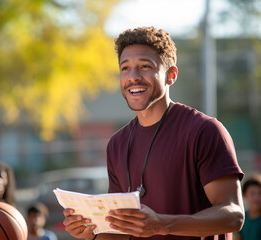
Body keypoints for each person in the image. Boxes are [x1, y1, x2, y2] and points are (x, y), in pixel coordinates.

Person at [62, 26, 245, 240]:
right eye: (125, 68)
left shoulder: (204, 130)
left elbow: (233, 215)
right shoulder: (117, 144)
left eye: (145, 66)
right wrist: (91, 233)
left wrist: (162, 224)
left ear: (171, 75)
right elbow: (119, 232)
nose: (133, 77)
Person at [237, 174, 261, 240]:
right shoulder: (242, 218)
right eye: (252, 194)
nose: (256, 198)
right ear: (244, 195)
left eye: (260, 193)